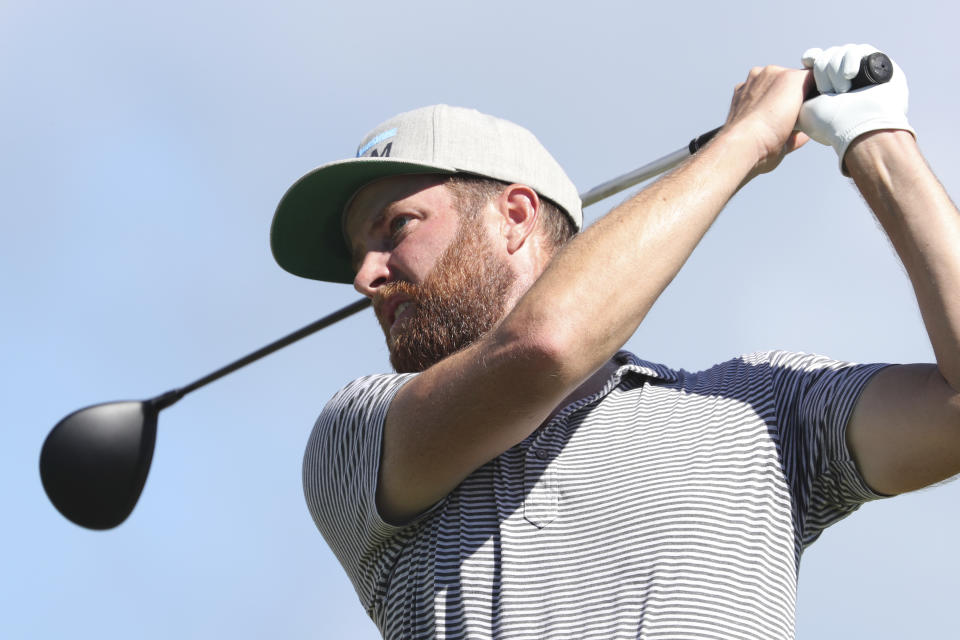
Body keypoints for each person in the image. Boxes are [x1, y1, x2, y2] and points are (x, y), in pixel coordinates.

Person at [270, 44, 960, 639]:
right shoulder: (353, 438)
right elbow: (544, 345)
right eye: (360, 253)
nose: (365, 276)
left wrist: (877, 139)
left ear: (514, 217)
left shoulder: (769, 410)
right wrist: (745, 141)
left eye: (395, 227)